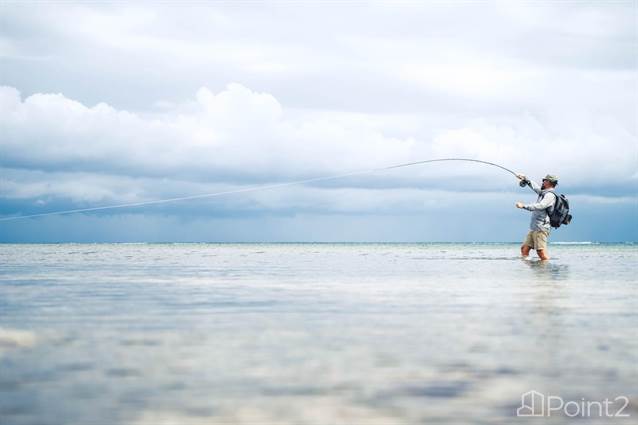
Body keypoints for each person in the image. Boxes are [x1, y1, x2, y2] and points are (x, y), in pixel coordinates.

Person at [515, 174, 559, 261]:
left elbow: (541, 206)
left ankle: (546, 272)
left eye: (544, 180)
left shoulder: (550, 195)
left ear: (549, 182)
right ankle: (535, 271)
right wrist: (526, 179)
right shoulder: (544, 192)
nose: (543, 182)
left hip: (541, 228)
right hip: (534, 227)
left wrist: (524, 206)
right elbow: (536, 188)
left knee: (541, 252)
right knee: (524, 249)